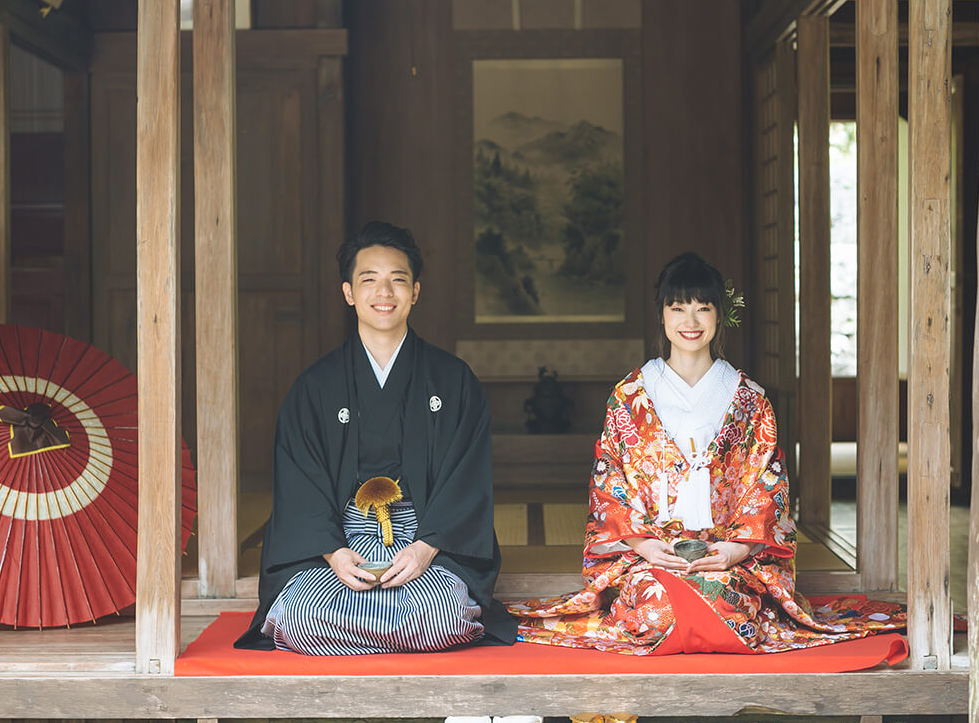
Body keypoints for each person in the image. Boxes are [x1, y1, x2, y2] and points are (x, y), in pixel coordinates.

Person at [508, 252, 903, 654]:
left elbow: (770, 483)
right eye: (678, 308)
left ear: (720, 315)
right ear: (662, 315)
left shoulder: (749, 400)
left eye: (703, 308)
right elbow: (609, 479)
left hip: (724, 557)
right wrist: (644, 545)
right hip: (652, 556)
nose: (691, 322)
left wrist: (737, 549)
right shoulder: (630, 396)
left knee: (728, 607)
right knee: (655, 610)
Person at [236, 222, 516, 653]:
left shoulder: (453, 380)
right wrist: (334, 554)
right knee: (302, 615)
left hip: (425, 536)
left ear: (416, 291)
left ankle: (371, 634)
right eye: (369, 280)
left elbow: (467, 478)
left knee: (439, 614)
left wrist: (424, 549)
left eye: (397, 280)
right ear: (348, 291)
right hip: (341, 536)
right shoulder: (316, 386)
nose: (384, 292)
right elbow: (298, 481)